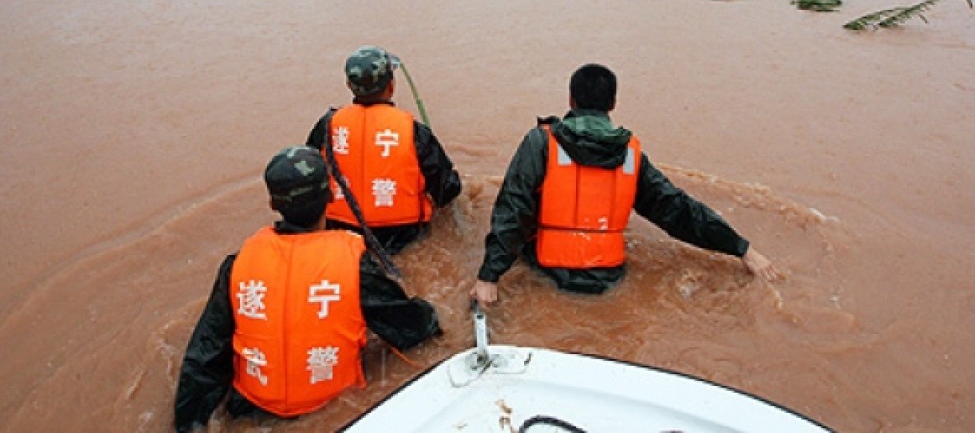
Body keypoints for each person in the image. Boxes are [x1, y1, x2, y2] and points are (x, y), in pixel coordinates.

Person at [174, 146, 441, 431]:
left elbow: (206, 353)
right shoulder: (352, 263)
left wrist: (188, 423)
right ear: (329, 197)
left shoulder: (238, 265)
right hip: (338, 412)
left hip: (251, 410)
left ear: (272, 204)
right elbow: (408, 329)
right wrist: (434, 316)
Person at [471, 63, 778, 305]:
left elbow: (513, 208)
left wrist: (489, 276)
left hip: (547, 272)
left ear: (570, 99)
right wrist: (742, 249)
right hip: (609, 279)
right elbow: (678, 211)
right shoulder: (630, 153)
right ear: (613, 103)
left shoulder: (541, 142)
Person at [306, 45, 462, 255]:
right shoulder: (415, 132)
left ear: (349, 85)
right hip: (403, 233)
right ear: (391, 85)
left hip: (341, 229)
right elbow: (447, 189)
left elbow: (307, 175)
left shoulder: (327, 125)